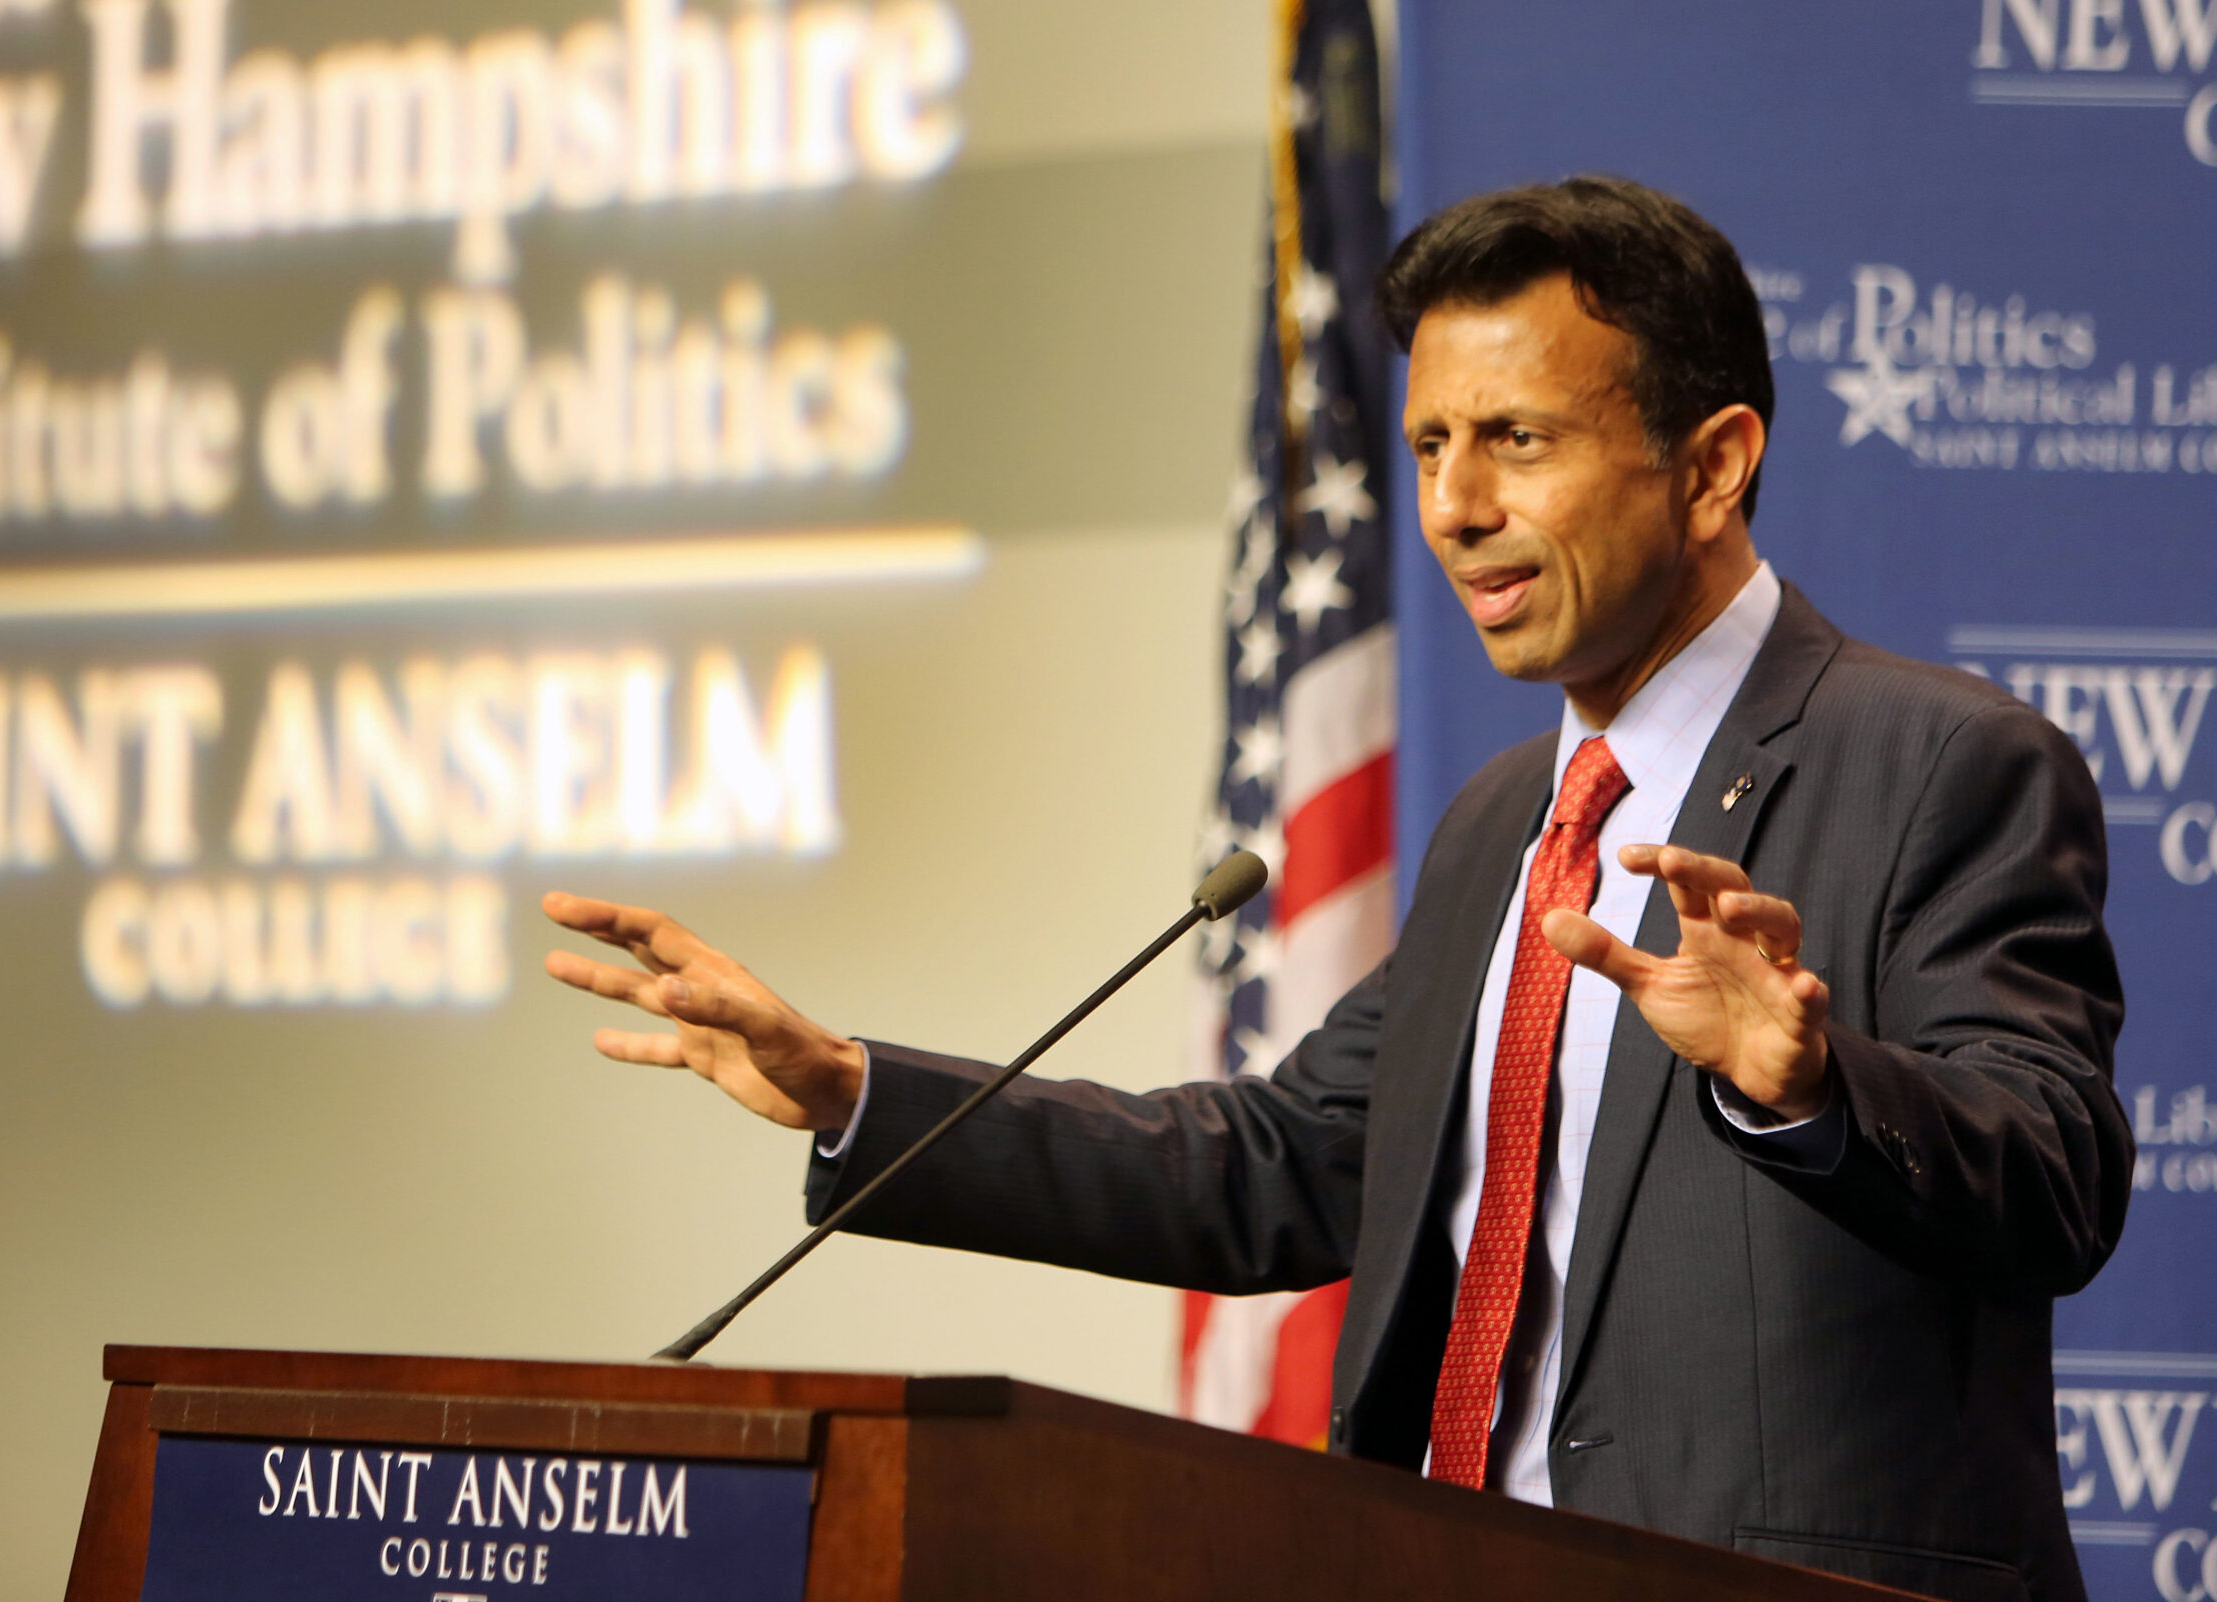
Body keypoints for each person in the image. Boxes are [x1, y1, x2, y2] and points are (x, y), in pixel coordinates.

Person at [542, 177, 2130, 1602]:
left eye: (1518, 440)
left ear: (1712, 465)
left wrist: (1810, 1084)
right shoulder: (1506, 823)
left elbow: (2059, 1173)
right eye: (1432, 444)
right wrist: (853, 1091)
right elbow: (1278, 1165)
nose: (1453, 506)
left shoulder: (1945, 761)